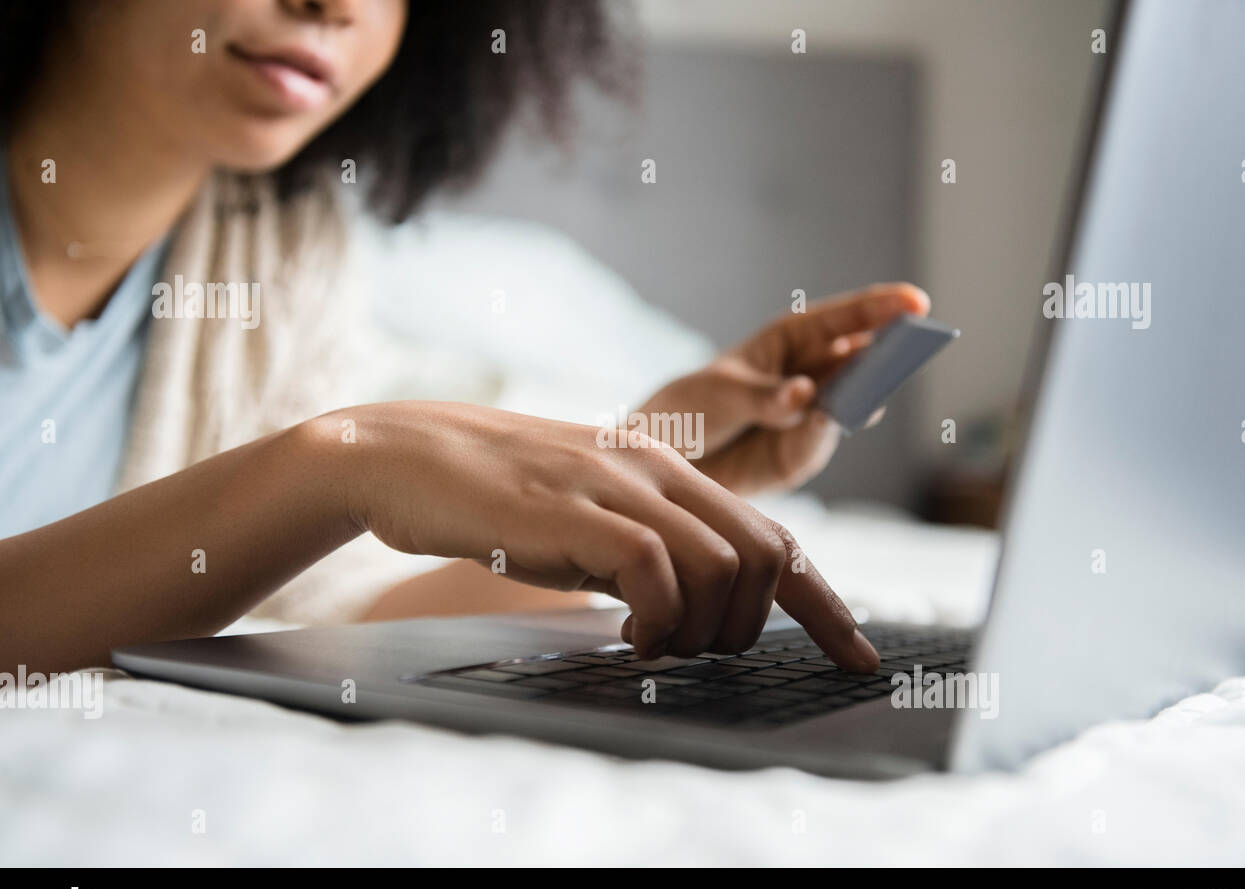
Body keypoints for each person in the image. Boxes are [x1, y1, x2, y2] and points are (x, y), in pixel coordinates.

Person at [0, 0, 930, 675]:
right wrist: (342, 464)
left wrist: (657, 476)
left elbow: (325, 608)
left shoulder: (281, 246)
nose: (335, 7)